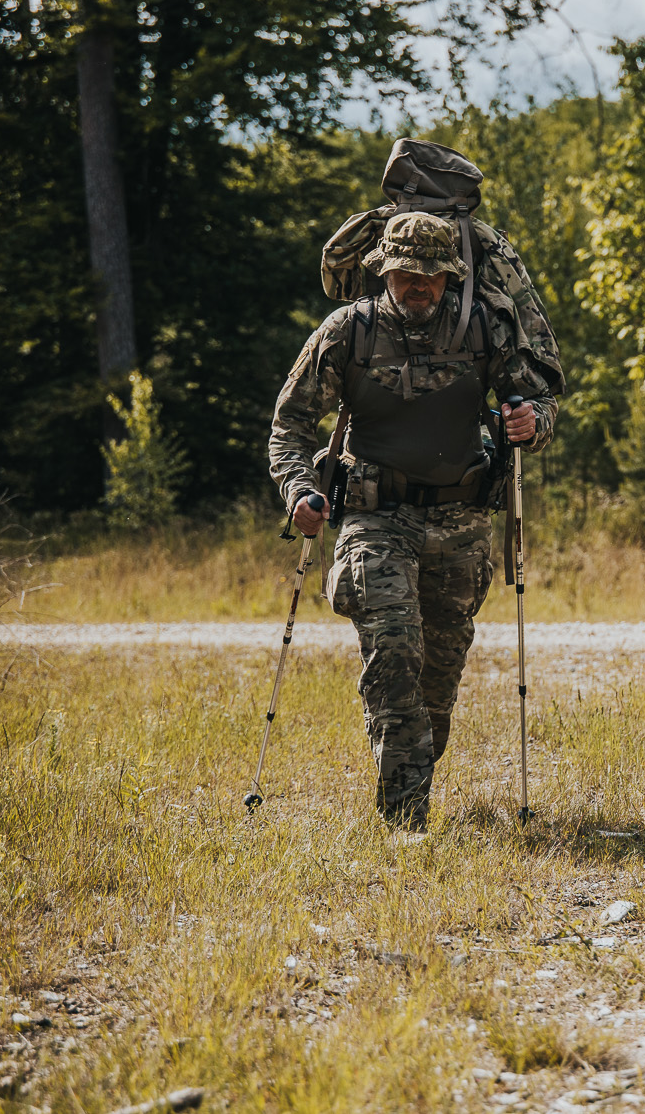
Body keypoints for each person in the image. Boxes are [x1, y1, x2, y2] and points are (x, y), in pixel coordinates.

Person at [268, 211, 558, 831]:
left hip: (461, 522)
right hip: (375, 519)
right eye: (406, 275)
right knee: (394, 653)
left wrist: (531, 422)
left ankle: (412, 776)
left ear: (451, 276)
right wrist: (299, 491)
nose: (418, 287)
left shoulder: (483, 328)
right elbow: (289, 427)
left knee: (437, 678)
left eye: (430, 276)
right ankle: (405, 822)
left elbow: (536, 403)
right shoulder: (348, 334)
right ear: (384, 270)